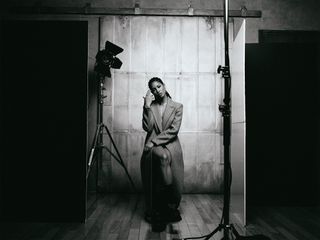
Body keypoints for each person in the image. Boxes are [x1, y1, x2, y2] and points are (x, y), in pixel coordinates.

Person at [140, 77, 184, 230]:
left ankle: (165, 207)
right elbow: (147, 127)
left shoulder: (178, 106)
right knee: (163, 157)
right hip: (153, 146)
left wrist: (154, 141)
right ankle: (163, 206)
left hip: (171, 144)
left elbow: (174, 130)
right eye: (153, 89)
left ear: (164, 86)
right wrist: (146, 106)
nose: (157, 90)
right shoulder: (150, 106)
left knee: (167, 158)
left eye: (158, 86)